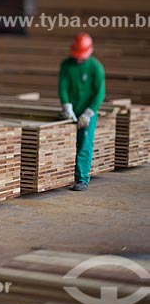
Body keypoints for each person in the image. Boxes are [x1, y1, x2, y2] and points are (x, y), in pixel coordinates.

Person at [59, 33, 106, 191]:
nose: (79, 59)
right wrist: (66, 105)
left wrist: (89, 112)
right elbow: (63, 86)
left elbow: (100, 93)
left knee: (85, 144)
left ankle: (81, 179)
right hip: (71, 110)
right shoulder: (66, 65)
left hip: (87, 112)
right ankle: (62, 176)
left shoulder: (95, 68)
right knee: (64, 141)